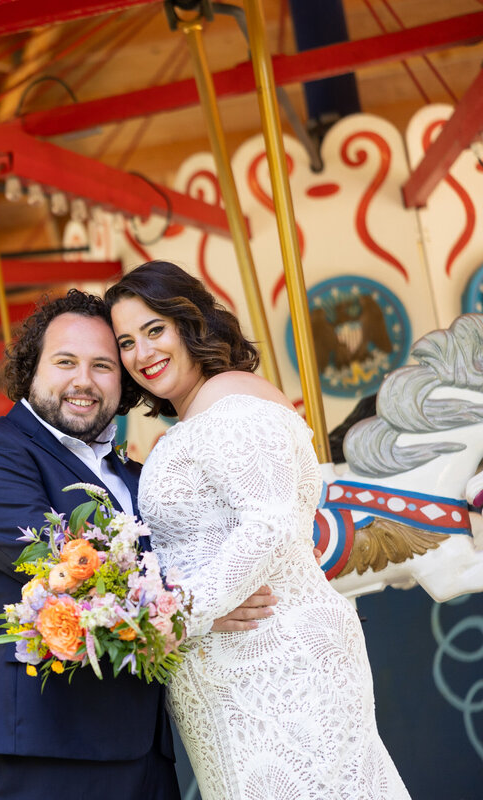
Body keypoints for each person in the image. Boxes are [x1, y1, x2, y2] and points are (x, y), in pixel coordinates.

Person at [0, 289, 274, 800]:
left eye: (103, 365)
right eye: (65, 361)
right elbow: (61, 564)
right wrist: (199, 599)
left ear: (123, 381)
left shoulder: (144, 475)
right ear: (31, 370)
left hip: (146, 746)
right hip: (41, 742)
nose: (84, 380)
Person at [105, 260, 410, 800]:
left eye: (155, 330)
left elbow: (268, 525)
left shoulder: (229, 401)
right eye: (127, 342)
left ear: (190, 322)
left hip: (274, 663)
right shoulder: (200, 410)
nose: (142, 353)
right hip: (239, 674)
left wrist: (174, 616)